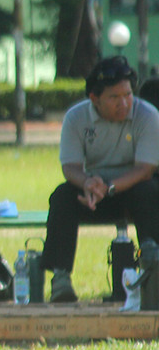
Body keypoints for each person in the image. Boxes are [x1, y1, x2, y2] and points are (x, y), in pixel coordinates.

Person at [42, 55, 159, 302]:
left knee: (150, 191)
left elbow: (146, 169)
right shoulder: (76, 118)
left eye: (127, 95)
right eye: (114, 97)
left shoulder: (147, 115)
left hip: (131, 189)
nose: (124, 103)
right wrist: (86, 183)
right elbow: (70, 166)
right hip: (93, 192)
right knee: (62, 196)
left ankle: (152, 269)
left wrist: (110, 188)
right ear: (94, 99)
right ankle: (60, 279)